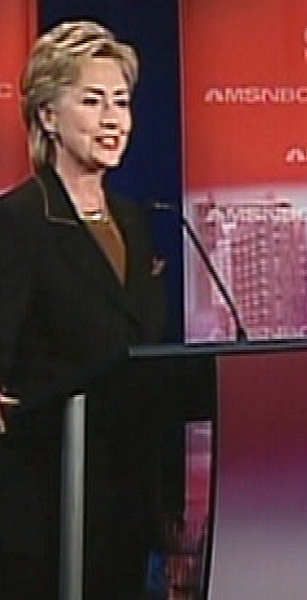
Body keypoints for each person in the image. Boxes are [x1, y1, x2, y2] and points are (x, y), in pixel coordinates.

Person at [0, 21, 166, 599]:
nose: (113, 118)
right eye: (92, 101)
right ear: (48, 116)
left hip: (129, 493)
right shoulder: (20, 221)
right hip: (47, 502)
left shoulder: (134, 221)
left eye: (121, 102)